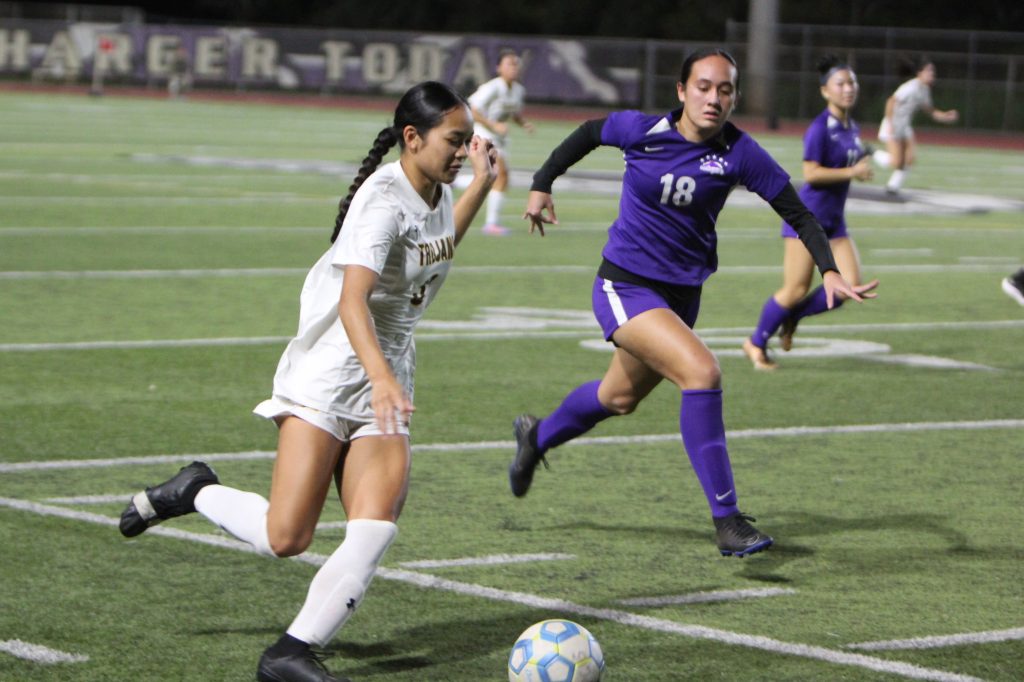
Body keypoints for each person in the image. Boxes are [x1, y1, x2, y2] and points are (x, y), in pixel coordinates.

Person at [118, 81, 496, 682]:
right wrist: (378, 378)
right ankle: (194, 491)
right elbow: (352, 301)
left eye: (467, 140)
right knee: (285, 537)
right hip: (331, 375)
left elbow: (438, 246)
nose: (464, 149)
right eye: (455, 141)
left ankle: (289, 653)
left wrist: (478, 181)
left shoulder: (436, 186)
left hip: (385, 376)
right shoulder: (383, 202)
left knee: (374, 527)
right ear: (412, 138)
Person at [509, 48, 876, 558]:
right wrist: (541, 184)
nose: (714, 97)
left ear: (735, 97)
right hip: (625, 287)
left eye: (725, 89)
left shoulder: (739, 152)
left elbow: (796, 210)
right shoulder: (641, 130)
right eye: (703, 86)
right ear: (681, 91)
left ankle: (537, 436)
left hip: (682, 297)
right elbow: (590, 132)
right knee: (702, 373)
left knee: (618, 398)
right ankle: (728, 522)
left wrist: (830, 270)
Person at [743, 55, 881, 370]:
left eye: (852, 82)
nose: (849, 89)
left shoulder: (852, 126)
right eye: (841, 84)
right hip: (808, 219)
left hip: (835, 222)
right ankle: (756, 343)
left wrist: (864, 161)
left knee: (849, 286)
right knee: (795, 289)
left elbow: (851, 160)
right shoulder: (819, 128)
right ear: (825, 91)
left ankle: (791, 317)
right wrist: (852, 173)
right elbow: (812, 173)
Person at [465, 49, 534, 236]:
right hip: (483, 133)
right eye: (509, 64)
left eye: (515, 64)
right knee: (501, 175)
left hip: (498, 138)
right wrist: (493, 125)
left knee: (493, 177)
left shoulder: (518, 90)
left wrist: (523, 123)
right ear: (499, 68)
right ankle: (491, 224)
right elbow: (472, 109)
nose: (514, 68)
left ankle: (456, 183)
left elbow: (512, 112)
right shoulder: (493, 87)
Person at [876, 55, 959, 195]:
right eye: (929, 71)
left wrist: (945, 116)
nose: (932, 74)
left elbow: (930, 111)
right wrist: (890, 124)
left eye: (933, 71)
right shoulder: (910, 87)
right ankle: (870, 151)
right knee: (896, 162)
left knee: (910, 159)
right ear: (920, 73)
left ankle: (892, 187)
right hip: (892, 126)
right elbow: (891, 101)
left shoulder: (924, 90)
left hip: (904, 127)